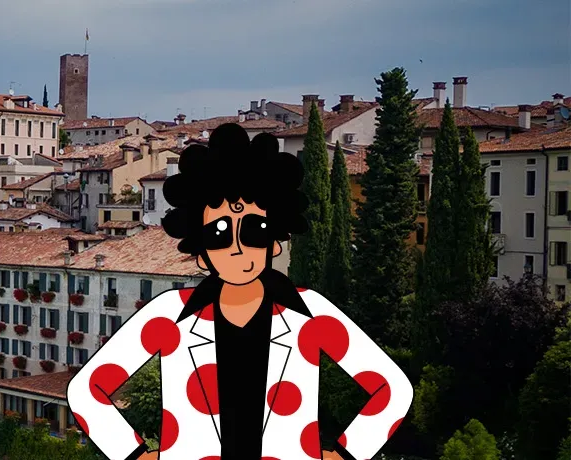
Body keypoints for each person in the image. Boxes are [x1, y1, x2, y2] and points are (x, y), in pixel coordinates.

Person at [66, 124, 410, 460]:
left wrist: (345, 454)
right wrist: (137, 454)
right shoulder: (169, 315)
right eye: (219, 234)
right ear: (201, 251)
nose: (237, 247)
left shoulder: (311, 314)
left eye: (254, 231)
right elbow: (87, 391)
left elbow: (392, 390)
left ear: (274, 242)